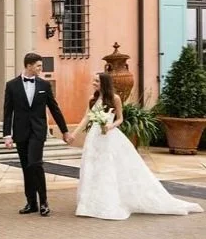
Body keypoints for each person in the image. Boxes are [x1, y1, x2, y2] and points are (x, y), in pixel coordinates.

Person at [70, 72, 203, 220]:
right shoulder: (92, 99)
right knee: (93, 168)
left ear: (104, 83)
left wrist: (110, 126)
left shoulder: (115, 98)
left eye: (96, 81)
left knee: (109, 168)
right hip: (94, 138)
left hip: (109, 136)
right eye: (94, 80)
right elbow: (86, 118)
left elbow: (120, 119)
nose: (93, 83)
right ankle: (89, 204)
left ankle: (109, 202)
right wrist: (73, 134)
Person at [3, 52, 72, 217]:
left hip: (38, 131)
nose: (41, 68)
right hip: (20, 132)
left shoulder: (44, 85)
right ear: (28, 66)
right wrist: (7, 135)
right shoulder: (12, 85)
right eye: (38, 66)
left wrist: (64, 131)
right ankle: (31, 203)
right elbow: (7, 112)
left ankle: (44, 202)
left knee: (35, 163)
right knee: (26, 167)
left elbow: (54, 109)